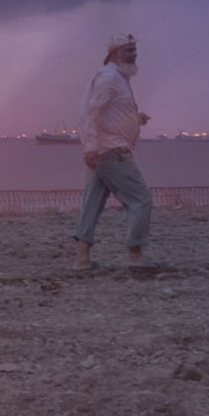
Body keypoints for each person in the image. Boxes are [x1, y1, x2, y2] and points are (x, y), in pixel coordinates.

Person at [72, 33, 154, 269]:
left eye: (135, 50)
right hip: (111, 151)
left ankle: (82, 259)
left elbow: (110, 113)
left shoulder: (118, 78)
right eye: (129, 50)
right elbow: (93, 113)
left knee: (92, 203)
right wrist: (89, 148)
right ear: (114, 53)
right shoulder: (109, 78)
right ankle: (136, 255)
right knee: (141, 199)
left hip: (102, 150)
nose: (134, 54)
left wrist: (135, 119)